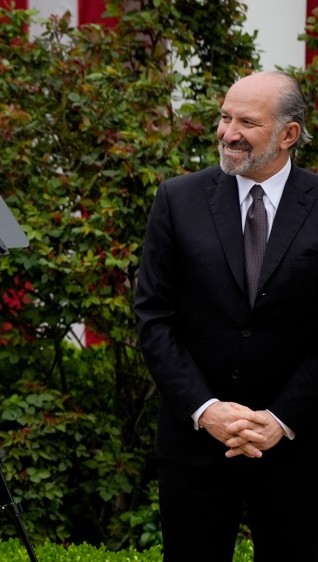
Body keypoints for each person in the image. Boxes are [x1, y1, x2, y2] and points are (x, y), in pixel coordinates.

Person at [135, 70, 318, 561]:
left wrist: (281, 418)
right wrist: (206, 410)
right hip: (194, 445)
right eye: (224, 116)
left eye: (246, 122)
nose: (227, 132)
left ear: (288, 134)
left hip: (298, 449)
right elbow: (153, 317)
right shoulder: (178, 199)